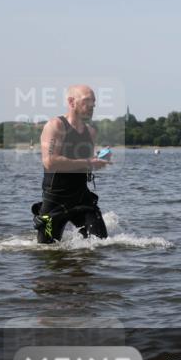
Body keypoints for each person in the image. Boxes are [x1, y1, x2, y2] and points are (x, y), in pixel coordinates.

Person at [32, 85, 110, 243]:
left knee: (101, 244)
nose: (92, 105)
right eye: (87, 101)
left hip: (81, 197)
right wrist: (89, 161)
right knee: (45, 251)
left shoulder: (91, 132)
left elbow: (84, 164)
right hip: (55, 200)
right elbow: (50, 162)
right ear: (71, 102)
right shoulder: (56, 126)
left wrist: (99, 160)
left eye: (94, 102)